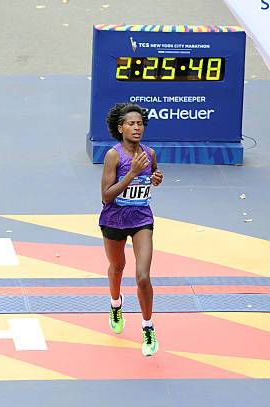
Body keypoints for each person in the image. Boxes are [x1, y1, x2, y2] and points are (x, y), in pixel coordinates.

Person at [99, 102, 163, 356]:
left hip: (141, 219)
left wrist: (155, 178)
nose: (137, 128)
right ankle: (116, 304)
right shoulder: (113, 155)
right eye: (131, 124)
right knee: (117, 268)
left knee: (143, 276)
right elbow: (106, 196)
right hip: (114, 219)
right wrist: (131, 174)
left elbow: (152, 175)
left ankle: (148, 326)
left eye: (140, 124)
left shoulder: (150, 153)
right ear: (120, 128)